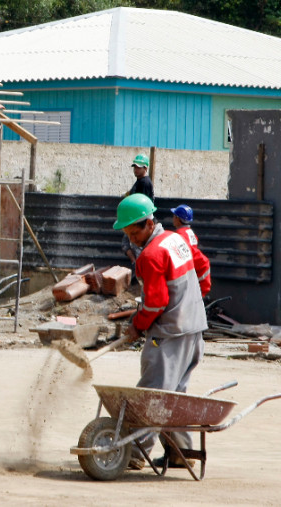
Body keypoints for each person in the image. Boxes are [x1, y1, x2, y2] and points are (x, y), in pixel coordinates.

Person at [113, 193, 207, 470]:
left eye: (134, 232)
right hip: (193, 328)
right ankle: (182, 453)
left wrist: (137, 326)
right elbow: (202, 267)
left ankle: (134, 454)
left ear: (149, 222)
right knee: (176, 395)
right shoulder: (177, 240)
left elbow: (155, 303)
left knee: (153, 394)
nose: (131, 239)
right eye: (127, 234)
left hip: (169, 334)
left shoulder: (151, 255)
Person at [171, 204, 212, 297]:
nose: (173, 218)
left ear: (177, 218)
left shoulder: (179, 236)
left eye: (174, 216)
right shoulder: (190, 232)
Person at [122, 153, 154, 264]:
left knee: (136, 246)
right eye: (135, 167)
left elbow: (142, 201)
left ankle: (138, 267)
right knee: (126, 245)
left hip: (139, 220)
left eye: (138, 167)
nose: (136, 169)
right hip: (134, 219)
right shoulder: (140, 181)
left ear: (145, 168)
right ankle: (136, 265)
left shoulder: (145, 182)